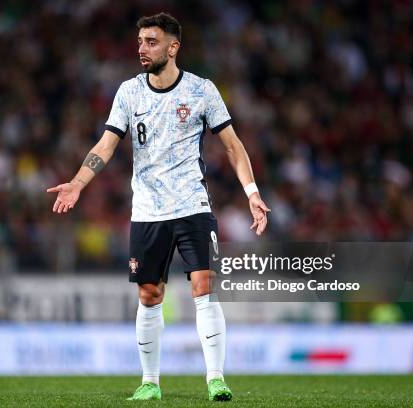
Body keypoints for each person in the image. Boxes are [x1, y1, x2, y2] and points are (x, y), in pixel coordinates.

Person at [47, 12, 270, 402]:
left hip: (192, 204)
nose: (142, 49)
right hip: (148, 210)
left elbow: (233, 146)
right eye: (139, 42)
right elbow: (107, 144)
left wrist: (251, 192)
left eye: (151, 41)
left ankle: (215, 378)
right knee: (150, 295)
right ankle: (150, 382)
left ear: (173, 46)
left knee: (204, 284)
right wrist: (79, 182)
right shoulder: (129, 93)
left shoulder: (202, 91)